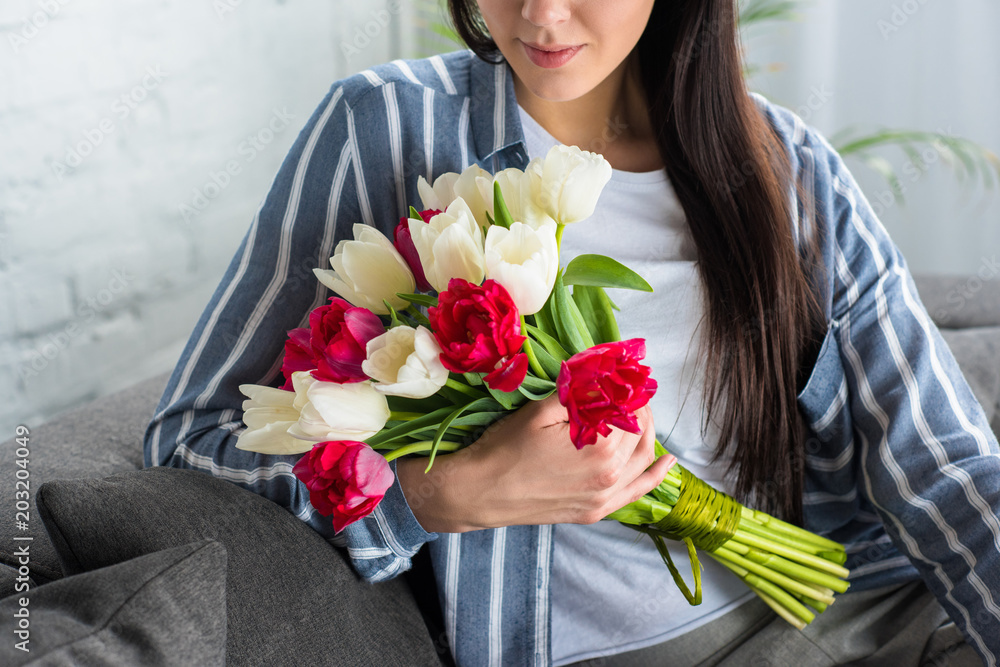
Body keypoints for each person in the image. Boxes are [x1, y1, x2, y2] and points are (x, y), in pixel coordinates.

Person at [144, 1, 1000, 665]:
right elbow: (190, 441)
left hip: (869, 602)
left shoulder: (791, 167)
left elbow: (946, 467)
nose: (541, 16)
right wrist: (433, 497)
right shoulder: (391, 127)